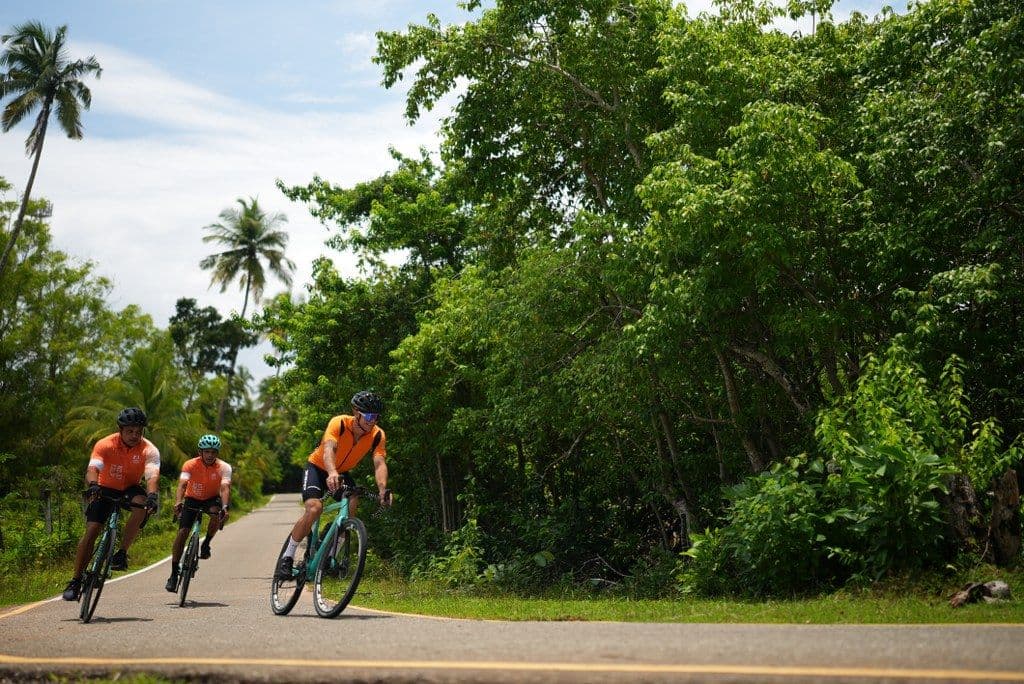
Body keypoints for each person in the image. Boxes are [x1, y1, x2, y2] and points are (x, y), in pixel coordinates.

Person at [275, 390, 392, 579]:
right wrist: (331, 472)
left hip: (342, 472)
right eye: (369, 416)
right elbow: (329, 448)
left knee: (352, 502)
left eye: (376, 417)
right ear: (356, 412)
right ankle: (287, 558)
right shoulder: (339, 423)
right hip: (318, 467)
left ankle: (330, 556)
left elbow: (379, 463)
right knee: (314, 508)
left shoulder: (378, 435)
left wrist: (382, 489)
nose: (372, 421)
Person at [62, 407, 160, 601]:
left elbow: (151, 476)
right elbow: (93, 468)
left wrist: (152, 496)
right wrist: (93, 485)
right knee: (92, 531)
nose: (135, 435)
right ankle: (75, 580)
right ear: (120, 429)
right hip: (104, 487)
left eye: (139, 431)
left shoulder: (149, 449)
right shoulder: (105, 444)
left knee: (142, 504)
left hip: (130, 488)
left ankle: (121, 553)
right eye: (130, 431)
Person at [165, 434, 232, 592]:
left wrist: (225, 507)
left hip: (211, 499)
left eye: (213, 452)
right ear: (200, 452)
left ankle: (206, 543)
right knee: (182, 532)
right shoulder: (190, 464)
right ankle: (174, 573)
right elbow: (182, 484)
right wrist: (178, 501)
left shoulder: (224, 467)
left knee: (216, 514)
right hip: (192, 499)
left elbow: (224, 488)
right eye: (207, 451)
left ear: (217, 453)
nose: (210, 455)